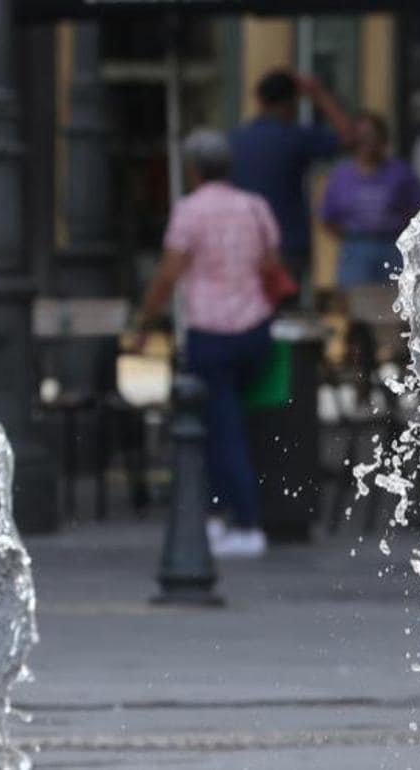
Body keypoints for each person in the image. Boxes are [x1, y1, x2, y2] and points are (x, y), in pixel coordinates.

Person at [132, 129, 280, 559]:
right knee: (224, 423)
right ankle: (215, 515)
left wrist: (145, 322)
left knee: (221, 428)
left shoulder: (189, 212)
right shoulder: (255, 207)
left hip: (211, 332)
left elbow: (168, 273)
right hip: (255, 329)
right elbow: (272, 263)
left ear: (193, 169)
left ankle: (247, 523)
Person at [230, 70, 355, 294]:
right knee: (286, 319)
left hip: (243, 243)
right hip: (288, 243)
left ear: (259, 101)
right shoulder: (295, 137)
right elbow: (350, 137)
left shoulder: (237, 140)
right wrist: (320, 95)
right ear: (292, 102)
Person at [319, 113, 420, 288]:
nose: (366, 142)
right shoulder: (341, 175)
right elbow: (327, 217)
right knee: (355, 305)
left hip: (392, 247)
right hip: (355, 248)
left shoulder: (400, 173)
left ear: (383, 140)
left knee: (393, 305)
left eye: (371, 136)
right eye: (360, 137)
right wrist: (353, 238)